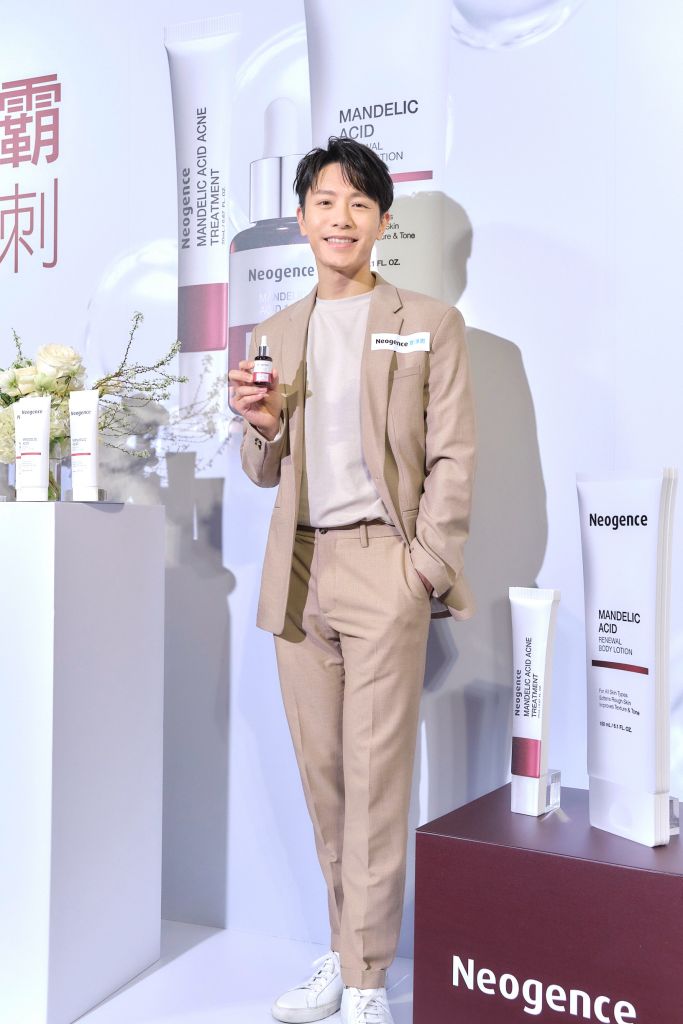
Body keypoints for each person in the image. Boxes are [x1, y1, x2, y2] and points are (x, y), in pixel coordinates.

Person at [228, 137, 476, 1024]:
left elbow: (452, 456)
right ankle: (345, 953)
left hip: (383, 566)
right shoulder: (273, 331)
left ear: (381, 222)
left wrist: (423, 569)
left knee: (375, 780)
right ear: (301, 218)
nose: (341, 218)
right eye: (325, 203)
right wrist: (260, 426)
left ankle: (367, 982)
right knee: (325, 778)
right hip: (298, 572)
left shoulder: (429, 322)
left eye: (359, 204)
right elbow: (262, 470)